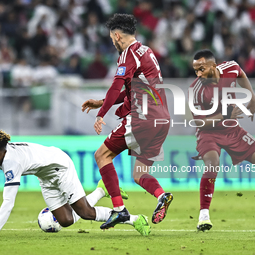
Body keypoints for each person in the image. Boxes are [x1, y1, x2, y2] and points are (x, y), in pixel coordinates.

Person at [0, 129, 151, 237]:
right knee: (66, 220)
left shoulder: (12, 161)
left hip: (60, 166)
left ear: (4, 150)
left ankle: (134, 219)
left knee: (86, 213)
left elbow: (8, 202)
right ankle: (100, 190)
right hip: (44, 175)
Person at [81, 13, 173, 230]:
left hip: (142, 118)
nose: (112, 42)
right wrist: (103, 102)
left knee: (102, 155)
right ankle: (162, 195)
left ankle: (120, 210)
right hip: (162, 120)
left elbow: (116, 86)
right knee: (139, 173)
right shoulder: (147, 52)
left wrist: (101, 114)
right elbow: (133, 91)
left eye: (112, 38)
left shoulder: (128, 55)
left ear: (117, 35)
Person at [190, 49, 255, 232]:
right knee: (212, 163)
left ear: (213, 66)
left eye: (202, 69)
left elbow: (240, 72)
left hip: (232, 130)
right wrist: (224, 115)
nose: (198, 74)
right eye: (195, 70)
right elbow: (199, 122)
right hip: (208, 133)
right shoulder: (197, 89)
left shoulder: (229, 68)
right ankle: (203, 216)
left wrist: (252, 95)